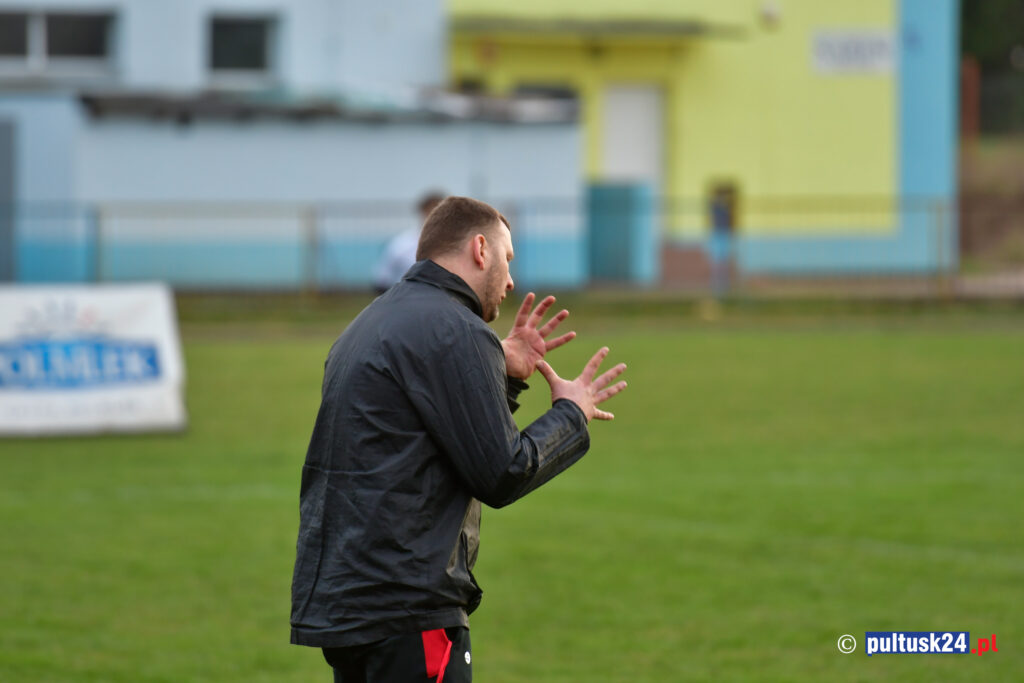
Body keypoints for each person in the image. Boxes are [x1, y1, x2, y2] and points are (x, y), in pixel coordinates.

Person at [291, 196, 627, 682]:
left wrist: (501, 376)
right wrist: (571, 414)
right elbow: (502, 472)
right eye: (507, 258)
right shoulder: (455, 328)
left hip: (349, 606)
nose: (511, 281)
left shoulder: (369, 323)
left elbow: (427, 440)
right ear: (480, 249)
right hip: (408, 608)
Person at [373, 192, 446, 293]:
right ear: (422, 212)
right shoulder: (401, 244)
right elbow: (382, 280)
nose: (434, 218)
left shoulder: (457, 246)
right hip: (404, 298)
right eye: (430, 212)